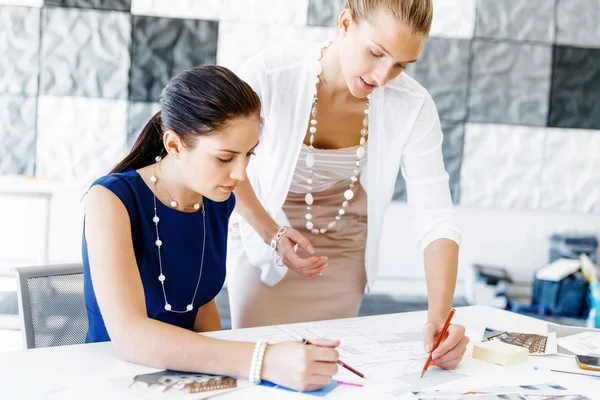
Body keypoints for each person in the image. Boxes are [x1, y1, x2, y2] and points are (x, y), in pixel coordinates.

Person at [228, 0, 469, 370]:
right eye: (376, 53)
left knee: (329, 370)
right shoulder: (270, 74)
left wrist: (439, 316)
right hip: (263, 235)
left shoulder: (412, 104)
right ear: (345, 23)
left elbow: (435, 215)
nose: (383, 76)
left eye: (401, 64)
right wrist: (273, 234)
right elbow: (228, 167)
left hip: (343, 251)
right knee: (261, 367)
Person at [82, 65, 340, 392]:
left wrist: (228, 386)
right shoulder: (110, 199)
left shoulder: (215, 197)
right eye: (225, 158)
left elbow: (203, 304)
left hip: (185, 378)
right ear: (174, 145)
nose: (241, 173)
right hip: (111, 381)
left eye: (249, 154)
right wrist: (265, 359)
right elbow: (130, 337)